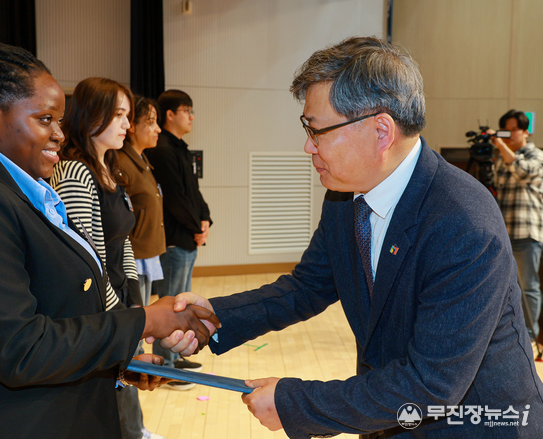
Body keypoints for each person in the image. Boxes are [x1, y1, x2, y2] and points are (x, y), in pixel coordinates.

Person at [166, 36, 543, 438]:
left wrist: (297, 403)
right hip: (386, 417)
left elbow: (431, 384)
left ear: (381, 131)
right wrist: (215, 316)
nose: (307, 147)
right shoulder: (344, 197)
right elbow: (308, 287)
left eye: (317, 130)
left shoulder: (462, 221)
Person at [0, 44, 217, 439]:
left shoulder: (24, 191)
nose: (59, 134)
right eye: (45, 119)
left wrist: (114, 364)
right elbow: (19, 348)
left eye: (59, 120)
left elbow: (61, 313)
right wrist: (143, 320)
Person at [49, 78, 162, 439]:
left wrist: (135, 302)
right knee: (104, 395)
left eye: (127, 115)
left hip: (117, 298)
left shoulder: (109, 168)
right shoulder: (74, 172)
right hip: (94, 306)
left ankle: (134, 431)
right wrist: (121, 315)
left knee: (124, 384)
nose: (127, 124)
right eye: (118, 115)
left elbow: (122, 240)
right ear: (91, 115)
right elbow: (87, 261)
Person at [144, 90, 212, 385]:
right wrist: (196, 227)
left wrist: (205, 219)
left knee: (181, 301)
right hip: (174, 238)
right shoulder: (162, 150)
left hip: (187, 237)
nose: (192, 117)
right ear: (170, 114)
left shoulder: (180, 148)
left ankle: (175, 358)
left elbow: (193, 193)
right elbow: (174, 199)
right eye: (187, 110)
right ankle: (166, 367)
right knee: (171, 305)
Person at [489, 110, 543, 344]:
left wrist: (500, 144)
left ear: (525, 131)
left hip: (526, 232)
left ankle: (530, 336)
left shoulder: (536, 155)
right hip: (503, 232)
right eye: (505, 131)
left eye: (514, 130)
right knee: (505, 287)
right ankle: (509, 337)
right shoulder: (501, 156)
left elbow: (523, 171)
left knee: (528, 286)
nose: (509, 135)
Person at [116, 95, 166, 308]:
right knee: (138, 314)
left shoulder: (141, 159)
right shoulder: (122, 163)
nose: (158, 129)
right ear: (132, 126)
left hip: (145, 251)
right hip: (133, 255)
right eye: (151, 122)